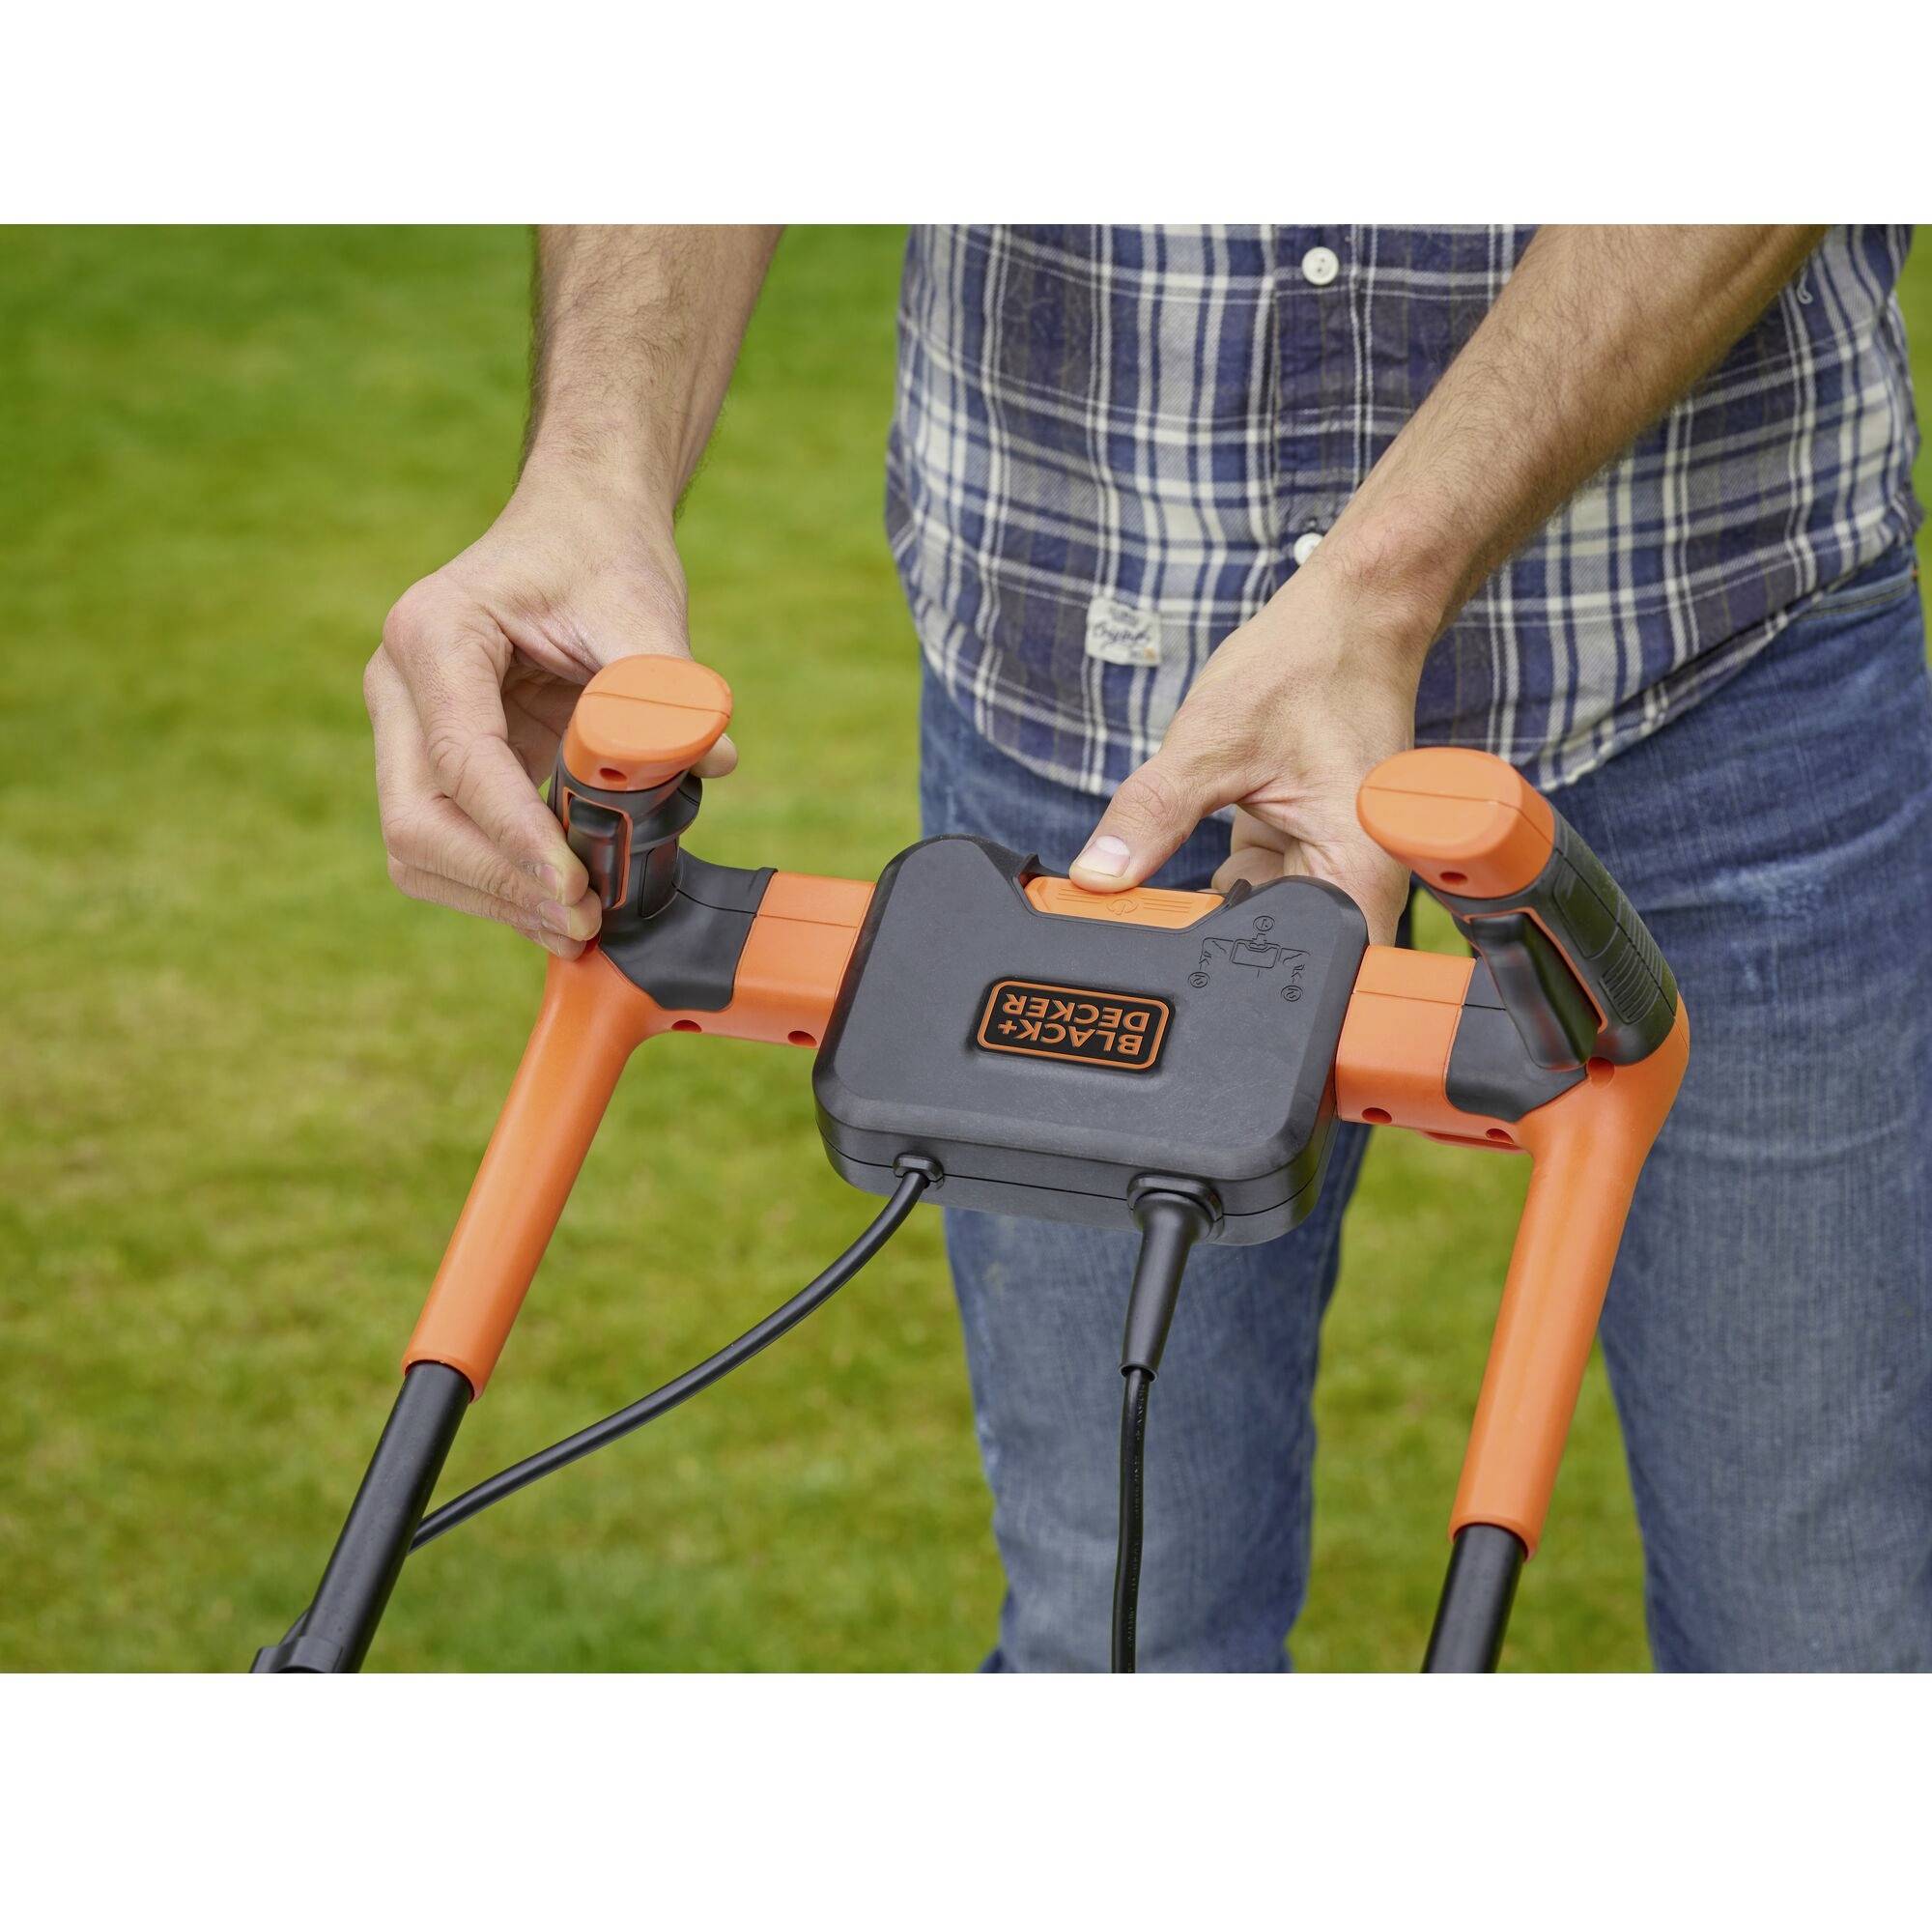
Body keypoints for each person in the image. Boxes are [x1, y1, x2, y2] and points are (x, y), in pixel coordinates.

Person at [365, 225, 1930, 1672]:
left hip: (1712, 643)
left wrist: (1376, 589)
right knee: (1120, 1620)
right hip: (1089, 681)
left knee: (1816, 1614)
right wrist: (592, 471)